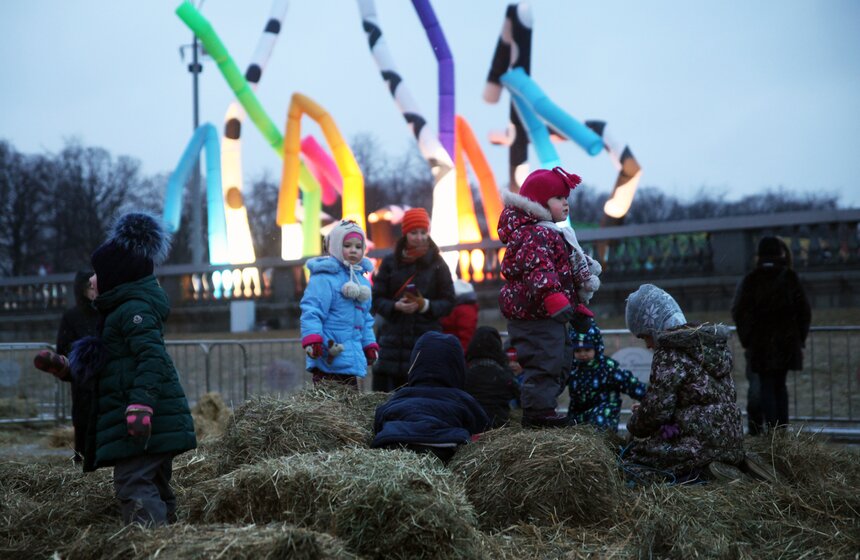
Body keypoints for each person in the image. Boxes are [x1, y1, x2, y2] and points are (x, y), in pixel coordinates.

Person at [43, 212, 197, 526]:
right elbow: (110, 366)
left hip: (144, 420)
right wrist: (68, 368)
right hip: (143, 421)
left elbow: (152, 358)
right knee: (153, 482)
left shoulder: (133, 310)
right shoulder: (116, 312)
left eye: (97, 274)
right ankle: (170, 538)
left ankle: (149, 541)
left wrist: (141, 404)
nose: (91, 281)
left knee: (132, 482)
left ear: (116, 276)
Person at [497, 166, 601, 427]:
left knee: (560, 360)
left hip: (547, 316)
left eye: (566, 198)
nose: (566, 203)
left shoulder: (551, 232)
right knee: (544, 362)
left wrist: (574, 307)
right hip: (533, 316)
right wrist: (553, 298)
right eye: (558, 198)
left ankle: (544, 407)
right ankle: (537, 413)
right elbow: (538, 269)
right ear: (540, 202)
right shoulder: (533, 235)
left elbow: (562, 275)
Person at [624, 284, 744, 479]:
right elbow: (698, 398)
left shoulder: (669, 352)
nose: (647, 345)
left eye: (645, 336)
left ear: (654, 326)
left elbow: (658, 410)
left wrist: (635, 424)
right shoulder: (709, 345)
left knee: (631, 463)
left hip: (696, 445)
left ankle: (700, 474)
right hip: (731, 441)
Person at [371, 331, 491, 463]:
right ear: (458, 367)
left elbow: (379, 417)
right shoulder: (463, 400)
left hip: (394, 443)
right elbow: (484, 428)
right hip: (444, 446)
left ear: (414, 364)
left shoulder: (401, 395)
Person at [371, 208, 456, 392]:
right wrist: (395, 306)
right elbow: (376, 298)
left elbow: (449, 301)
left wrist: (424, 305)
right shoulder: (389, 262)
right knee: (390, 397)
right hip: (392, 343)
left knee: (423, 394)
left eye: (423, 232)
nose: (419, 237)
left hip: (426, 340)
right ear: (405, 233)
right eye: (414, 232)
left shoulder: (438, 264)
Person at [731, 236, 811, 432]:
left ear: (759, 254)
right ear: (779, 253)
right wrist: (799, 338)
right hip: (786, 343)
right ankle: (781, 430)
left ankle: (771, 431)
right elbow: (804, 311)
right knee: (780, 386)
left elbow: (739, 312)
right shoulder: (789, 277)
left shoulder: (751, 279)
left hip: (760, 344)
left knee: (766, 385)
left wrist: (747, 339)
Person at [300, 220, 378, 389]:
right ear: (335, 246)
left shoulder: (362, 283)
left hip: (351, 358)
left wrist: (369, 344)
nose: (353, 250)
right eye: (347, 245)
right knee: (327, 401)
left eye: (358, 246)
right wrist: (312, 339)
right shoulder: (324, 278)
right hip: (329, 353)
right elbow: (312, 310)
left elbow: (365, 320)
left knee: (350, 399)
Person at [33, 270, 100, 463]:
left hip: (103, 374)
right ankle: (83, 457)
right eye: (88, 287)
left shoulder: (106, 313)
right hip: (83, 378)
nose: (93, 290)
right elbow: (63, 346)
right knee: (83, 417)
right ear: (81, 290)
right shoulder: (72, 316)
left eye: (94, 286)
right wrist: (83, 356)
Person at [567, 320, 647, 431]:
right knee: (570, 425)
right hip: (579, 414)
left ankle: (602, 438)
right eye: (578, 350)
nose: (582, 354)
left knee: (599, 419)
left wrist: (648, 397)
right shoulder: (572, 368)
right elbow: (557, 383)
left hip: (604, 413)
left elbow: (628, 383)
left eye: (587, 349)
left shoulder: (607, 367)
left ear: (596, 347)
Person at [464, 326, 520, 427]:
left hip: (471, 424)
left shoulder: (466, 373)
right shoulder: (502, 373)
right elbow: (519, 394)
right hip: (498, 423)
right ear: (497, 345)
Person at [440, 279, 479, 352]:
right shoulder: (461, 309)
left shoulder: (464, 311)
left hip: (455, 351)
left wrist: (460, 354)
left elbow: (466, 338)